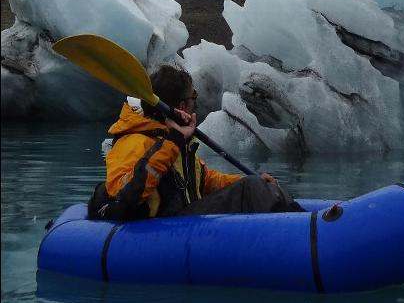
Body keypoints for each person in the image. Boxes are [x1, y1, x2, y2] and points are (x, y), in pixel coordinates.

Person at [87, 64, 303, 221]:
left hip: (184, 220)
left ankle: (303, 219)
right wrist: (173, 142)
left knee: (257, 185)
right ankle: (305, 230)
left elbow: (206, 181)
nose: (195, 104)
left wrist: (254, 180)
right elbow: (123, 196)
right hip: (161, 229)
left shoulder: (170, 138)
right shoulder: (135, 141)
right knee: (252, 188)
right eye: (194, 97)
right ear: (182, 105)